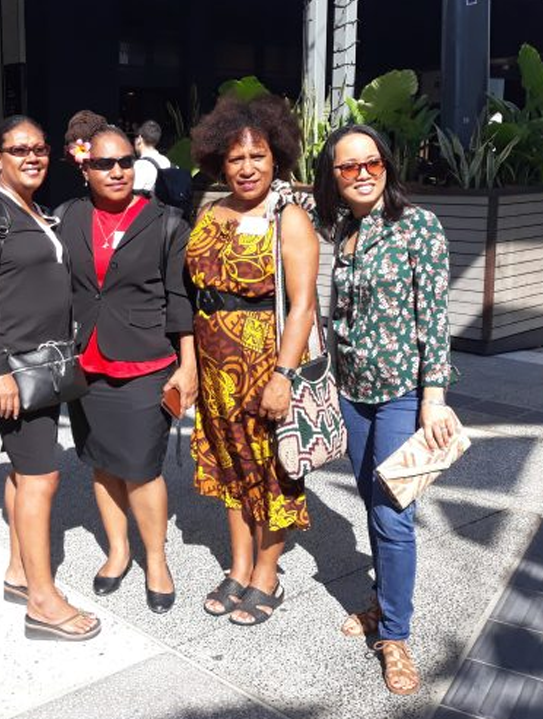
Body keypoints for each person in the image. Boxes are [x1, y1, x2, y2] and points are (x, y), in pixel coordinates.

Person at [313, 124, 456, 695]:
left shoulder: (418, 226)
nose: (363, 173)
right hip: (352, 394)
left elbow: (435, 316)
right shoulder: (343, 231)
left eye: (372, 162)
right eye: (349, 167)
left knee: (394, 514)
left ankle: (395, 635)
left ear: (387, 166)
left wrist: (434, 395)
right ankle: (383, 602)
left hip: (400, 391)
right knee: (374, 503)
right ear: (335, 177)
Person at [0, 115, 101, 642]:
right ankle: (42, 601)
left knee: (24, 471)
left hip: (42, 365)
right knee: (42, 476)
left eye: (39, 148)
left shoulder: (35, 211)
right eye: (19, 150)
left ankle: (20, 573)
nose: (32, 157)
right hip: (12, 368)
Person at [56, 111, 197, 614]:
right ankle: (117, 553)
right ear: (85, 168)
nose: (117, 171)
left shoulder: (165, 222)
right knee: (101, 464)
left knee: (141, 468)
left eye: (126, 162)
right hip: (86, 365)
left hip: (144, 362)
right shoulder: (68, 217)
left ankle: (155, 561)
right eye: (105, 163)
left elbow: (180, 300)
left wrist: (188, 364)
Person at [187, 94, 320, 626]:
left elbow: (304, 304)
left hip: (266, 362)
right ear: (220, 159)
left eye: (258, 156)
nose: (247, 167)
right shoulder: (210, 209)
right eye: (236, 157)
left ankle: (268, 574)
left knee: (271, 470)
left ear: (277, 157)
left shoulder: (288, 218)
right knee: (230, 467)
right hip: (215, 362)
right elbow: (194, 288)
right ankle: (239, 565)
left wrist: (284, 376)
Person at [132, 119, 171, 196]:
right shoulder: (166, 161)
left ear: (140, 139)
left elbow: (135, 195)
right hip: (163, 207)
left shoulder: (140, 165)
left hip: (147, 207)